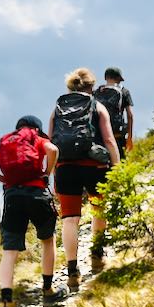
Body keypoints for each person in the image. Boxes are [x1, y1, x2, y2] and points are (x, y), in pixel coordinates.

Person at [0, 115, 69, 307]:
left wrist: (5, 180)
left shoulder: (8, 142)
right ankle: (48, 291)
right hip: (37, 194)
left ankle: (7, 305)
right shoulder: (37, 139)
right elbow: (53, 150)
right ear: (36, 129)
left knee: (10, 251)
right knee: (48, 240)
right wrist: (46, 173)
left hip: (12, 198)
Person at [48, 68, 120, 289]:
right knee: (99, 209)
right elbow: (108, 139)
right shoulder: (97, 106)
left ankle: (72, 271)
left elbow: (50, 142)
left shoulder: (57, 109)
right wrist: (117, 167)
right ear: (91, 86)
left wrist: (52, 172)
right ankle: (97, 256)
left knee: (70, 219)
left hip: (65, 168)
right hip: (94, 166)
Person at [99, 66, 134, 160]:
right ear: (118, 78)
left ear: (105, 78)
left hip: (100, 136)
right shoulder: (124, 91)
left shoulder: (97, 92)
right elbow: (130, 115)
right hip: (117, 136)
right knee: (120, 165)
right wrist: (130, 137)